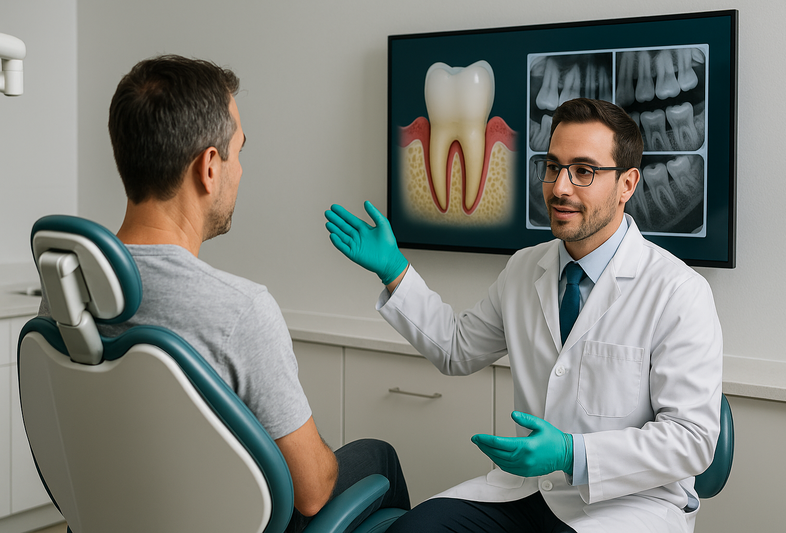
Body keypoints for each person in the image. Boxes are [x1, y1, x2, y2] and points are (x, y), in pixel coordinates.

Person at [40, 55, 409, 533]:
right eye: (239, 151)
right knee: (378, 457)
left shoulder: (63, 292)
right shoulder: (240, 311)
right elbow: (313, 492)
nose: (240, 170)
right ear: (209, 167)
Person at [324, 98, 722, 533]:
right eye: (553, 166)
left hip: (627, 505)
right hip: (529, 490)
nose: (560, 188)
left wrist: (573, 454)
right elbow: (457, 350)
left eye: (583, 171)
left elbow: (692, 441)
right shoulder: (524, 267)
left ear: (627, 184)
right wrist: (395, 271)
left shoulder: (678, 291)